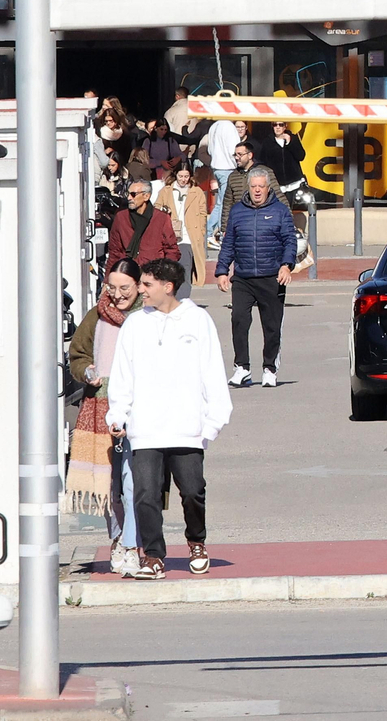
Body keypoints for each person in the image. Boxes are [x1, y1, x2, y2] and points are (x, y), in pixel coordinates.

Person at [108, 258, 232, 580]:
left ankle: (196, 542)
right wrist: (118, 413)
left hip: (187, 428)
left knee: (192, 491)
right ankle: (153, 556)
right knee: (145, 494)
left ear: (168, 287)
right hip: (145, 429)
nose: (141, 291)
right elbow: (123, 374)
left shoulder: (198, 320)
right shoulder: (135, 324)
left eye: (147, 285)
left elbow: (213, 372)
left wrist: (212, 421)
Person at [64, 259, 143, 577]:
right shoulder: (96, 315)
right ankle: (117, 539)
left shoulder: (148, 316)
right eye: (112, 287)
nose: (118, 294)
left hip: (138, 408)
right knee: (108, 483)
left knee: (133, 480)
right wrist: (88, 372)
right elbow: (77, 354)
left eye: (125, 288)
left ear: (138, 286)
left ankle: (132, 543)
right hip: (99, 406)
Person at [215, 167, 298, 389]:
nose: (258, 190)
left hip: (271, 277)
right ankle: (242, 367)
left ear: (268, 188)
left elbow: (290, 241)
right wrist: (222, 270)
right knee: (239, 321)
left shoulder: (280, 211)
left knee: (271, 326)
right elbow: (229, 243)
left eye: (261, 186)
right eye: (254, 187)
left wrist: (286, 266)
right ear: (248, 188)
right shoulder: (237, 211)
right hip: (243, 277)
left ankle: (270, 367)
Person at [154, 164, 208, 299]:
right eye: (180, 176)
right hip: (169, 237)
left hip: (188, 237)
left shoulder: (197, 192)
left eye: (186, 176)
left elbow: (203, 214)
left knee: (185, 269)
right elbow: (156, 209)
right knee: (169, 271)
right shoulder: (166, 191)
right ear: (175, 175)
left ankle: (182, 301)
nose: (183, 180)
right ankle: (170, 299)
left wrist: (200, 231)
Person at [106, 180, 181, 269]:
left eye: (133, 194)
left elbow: (172, 250)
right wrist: (108, 279)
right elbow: (114, 251)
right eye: (128, 194)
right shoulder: (121, 217)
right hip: (128, 272)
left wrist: (165, 274)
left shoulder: (161, 218)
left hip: (153, 273)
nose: (129, 198)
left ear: (146, 196)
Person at [218, 141, 282, 237]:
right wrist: (225, 227)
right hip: (240, 223)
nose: (236, 157)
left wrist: (289, 220)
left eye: (240, 154)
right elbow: (227, 203)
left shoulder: (265, 172)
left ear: (250, 155)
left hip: (262, 221)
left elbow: (279, 195)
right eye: (235, 154)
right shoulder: (233, 176)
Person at [205, 111, 242, 241]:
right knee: (224, 203)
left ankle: (213, 231)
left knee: (221, 202)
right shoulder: (229, 127)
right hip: (227, 167)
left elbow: (209, 149)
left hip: (216, 166)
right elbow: (234, 149)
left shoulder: (214, 126)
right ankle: (213, 231)